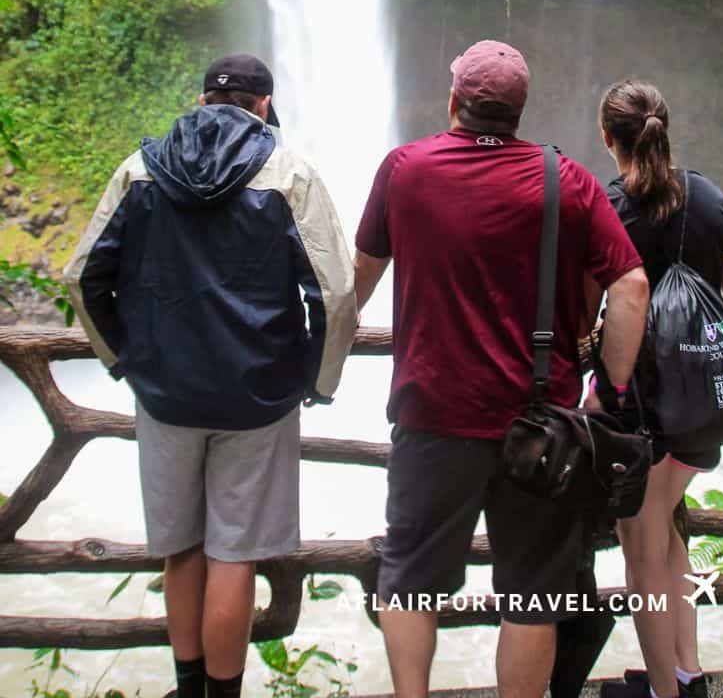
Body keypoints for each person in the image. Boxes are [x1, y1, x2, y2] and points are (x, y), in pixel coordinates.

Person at [354, 40, 650, 698]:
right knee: (532, 597)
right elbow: (631, 286)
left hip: (432, 415)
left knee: (407, 580)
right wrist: (611, 390)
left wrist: (315, 361)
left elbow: (357, 282)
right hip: (541, 427)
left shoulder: (404, 170)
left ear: (454, 101)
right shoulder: (564, 178)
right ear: (518, 111)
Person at [64, 53, 357, 698]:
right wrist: (318, 379)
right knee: (234, 555)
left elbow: (82, 277)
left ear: (199, 102)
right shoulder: (290, 172)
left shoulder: (139, 169)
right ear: (263, 107)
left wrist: (124, 359)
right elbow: (334, 295)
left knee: (182, 551)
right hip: (259, 398)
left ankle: (186, 685)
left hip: (165, 395)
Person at [595, 79, 723, 698]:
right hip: (704, 406)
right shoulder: (711, 197)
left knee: (641, 547)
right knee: (666, 531)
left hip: (639, 411)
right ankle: (688, 668)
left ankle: (665, 690)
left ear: (607, 137)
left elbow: (593, 313)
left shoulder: (608, 208)